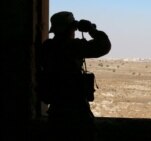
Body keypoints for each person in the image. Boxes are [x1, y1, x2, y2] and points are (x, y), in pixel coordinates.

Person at [38, 11, 111, 141]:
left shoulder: (47, 47)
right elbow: (104, 46)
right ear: (70, 28)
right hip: (76, 111)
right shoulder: (73, 46)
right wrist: (91, 30)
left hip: (56, 110)